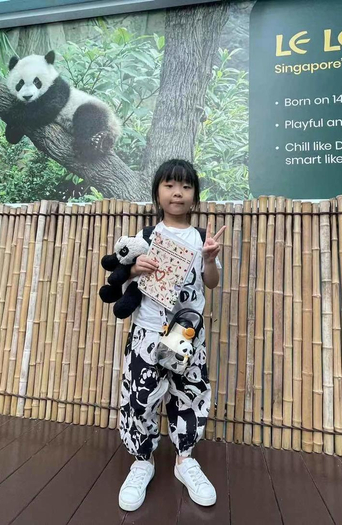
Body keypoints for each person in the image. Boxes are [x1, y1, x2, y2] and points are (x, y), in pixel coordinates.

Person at [117, 159, 226, 512]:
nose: (177, 193)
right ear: (157, 193)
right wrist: (135, 267)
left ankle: (185, 460)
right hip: (147, 330)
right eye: (169, 185)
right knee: (141, 397)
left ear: (195, 195)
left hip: (184, 332)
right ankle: (142, 461)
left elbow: (212, 283)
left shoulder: (201, 238)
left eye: (185, 186)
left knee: (187, 395)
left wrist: (209, 259)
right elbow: (122, 274)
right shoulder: (145, 237)